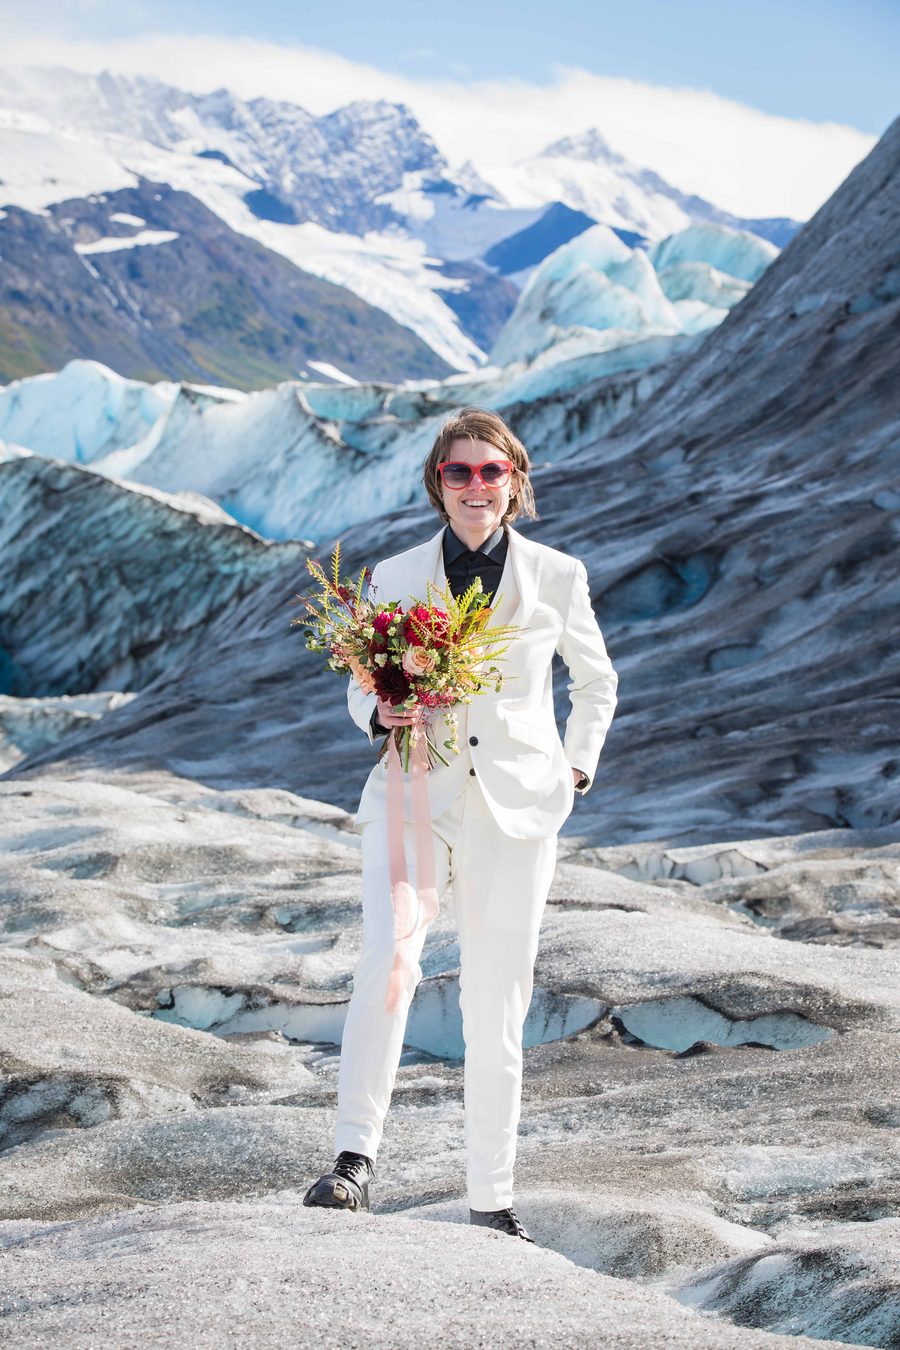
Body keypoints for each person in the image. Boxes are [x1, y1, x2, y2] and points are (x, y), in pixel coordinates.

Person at [304, 407, 618, 1242]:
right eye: (458, 473)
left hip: (517, 813)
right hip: (413, 793)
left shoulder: (557, 574)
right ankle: (352, 1162)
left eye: (491, 471)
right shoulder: (396, 573)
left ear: (515, 480)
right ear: (436, 485)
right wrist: (385, 710)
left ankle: (491, 1197)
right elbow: (358, 682)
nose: (475, 486)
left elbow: (596, 683)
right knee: (391, 961)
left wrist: (574, 768)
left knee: (496, 1001)